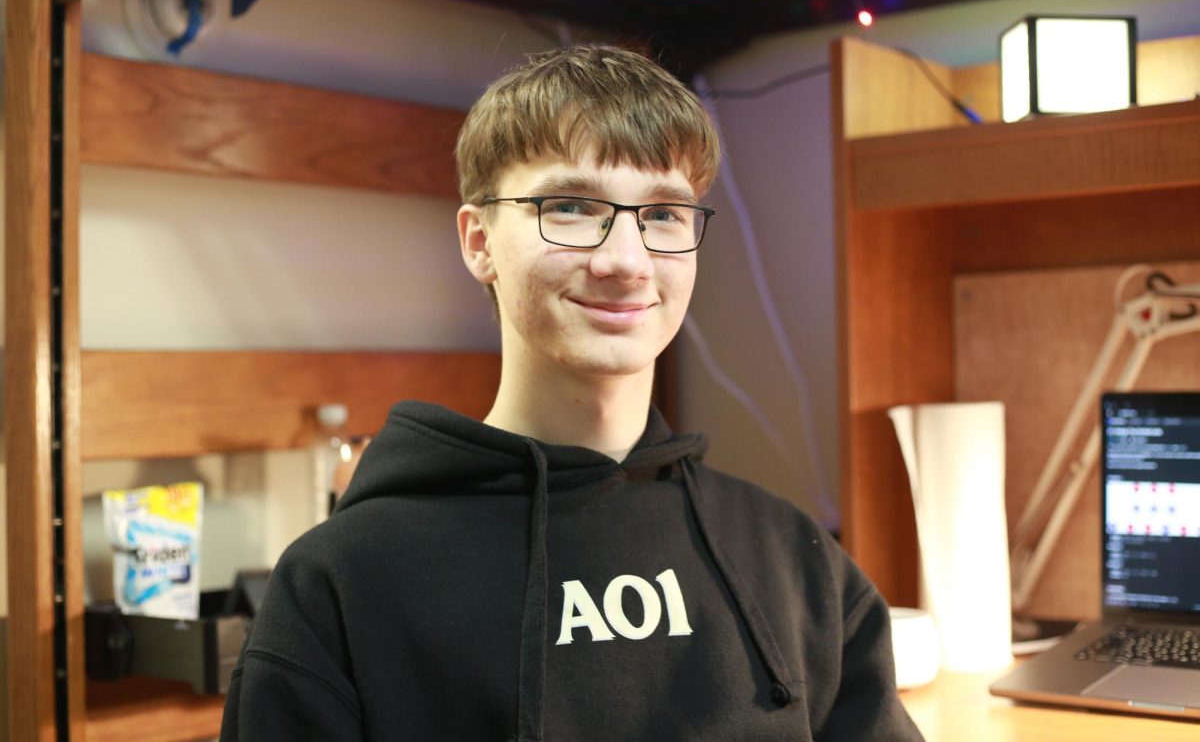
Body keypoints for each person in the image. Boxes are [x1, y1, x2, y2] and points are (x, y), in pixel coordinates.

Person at [220, 45, 923, 741]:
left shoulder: (796, 563)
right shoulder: (341, 585)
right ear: (479, 242)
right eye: (571, 206)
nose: (625, 261)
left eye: (664, 215)